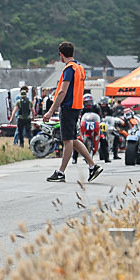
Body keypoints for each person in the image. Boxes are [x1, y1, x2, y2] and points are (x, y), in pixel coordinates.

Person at [43, 42, 102, 183]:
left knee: (67, 140)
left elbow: (62, 91)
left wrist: (50, 111)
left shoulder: (69, 69)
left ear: (61, 55)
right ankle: (92, 166)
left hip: (68, 108)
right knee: (74, 139)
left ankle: (61, 172)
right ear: (73, 53)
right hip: (77, 107)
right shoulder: (79, 68)